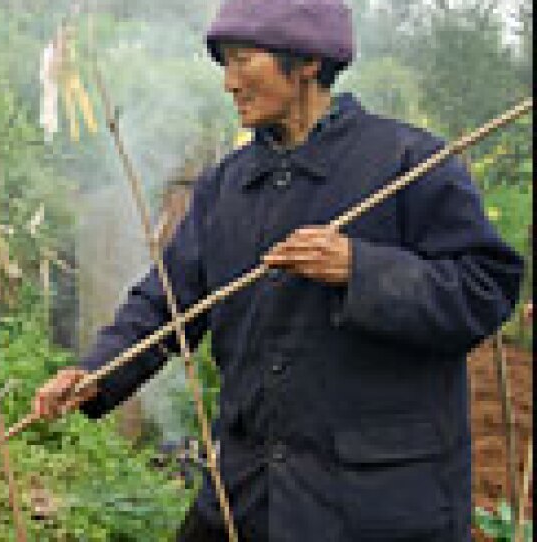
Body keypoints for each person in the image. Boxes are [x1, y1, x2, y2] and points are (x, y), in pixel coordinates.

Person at [33, 0, 524, 540]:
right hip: (250, 496)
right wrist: (97, 373)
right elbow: (168, 302)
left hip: (377, 506)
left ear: (307, 62)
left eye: (244, 60)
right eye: (225, 63)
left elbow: (485, 290)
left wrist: (361, 268)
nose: (229, 83)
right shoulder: (227, 186)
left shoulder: (409, 163)